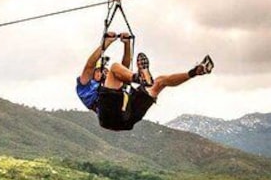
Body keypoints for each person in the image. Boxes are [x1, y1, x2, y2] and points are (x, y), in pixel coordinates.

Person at [76, 30, 214, 132]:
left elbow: (123, 69)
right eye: (101, 70)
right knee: (115, 68)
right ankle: (139, 78)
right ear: (94, 72)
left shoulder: (110, 81)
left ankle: (196, 71)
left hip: (127, 118)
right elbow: (89, 66)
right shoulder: (85, 86)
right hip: (108, 116)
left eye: (104, 71)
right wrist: (105, 44)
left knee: (159, 82)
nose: (104, 73)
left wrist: (127, 44)